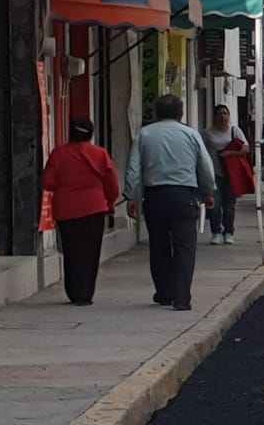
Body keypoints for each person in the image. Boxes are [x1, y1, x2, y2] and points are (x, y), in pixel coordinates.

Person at [122, 93, 216, 312]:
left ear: (157, 113)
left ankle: (164, 292)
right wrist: (208, 192)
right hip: (184, 196)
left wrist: (131, 197)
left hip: (155, 197)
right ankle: (182, 297)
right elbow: (206, 168)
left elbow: (133, 169)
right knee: (185, 248)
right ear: (181, 113)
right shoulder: (191, 135)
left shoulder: (144, 134)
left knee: (159, 245)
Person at [42, 118, 119, 306]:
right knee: (90, 252)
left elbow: (48, 182)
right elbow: (112, 183)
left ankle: (73, 291)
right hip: (94, 208)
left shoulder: (58, 153)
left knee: (71, 251)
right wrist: (109, 201)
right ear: (90, 134)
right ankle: (85, 293)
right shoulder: (100, 154)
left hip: (66, 210)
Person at [201, 104, 250, 245]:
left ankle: (229, 231)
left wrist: (230, 153)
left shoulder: (235, 131)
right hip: (214, 173)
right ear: (214, 116)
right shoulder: (207, 133)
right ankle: (216, 231)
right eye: (220, 114)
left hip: (231, 174)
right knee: (215, 204)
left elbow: (245, 148)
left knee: (229, 205)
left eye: (225, 113)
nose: (223, 117)